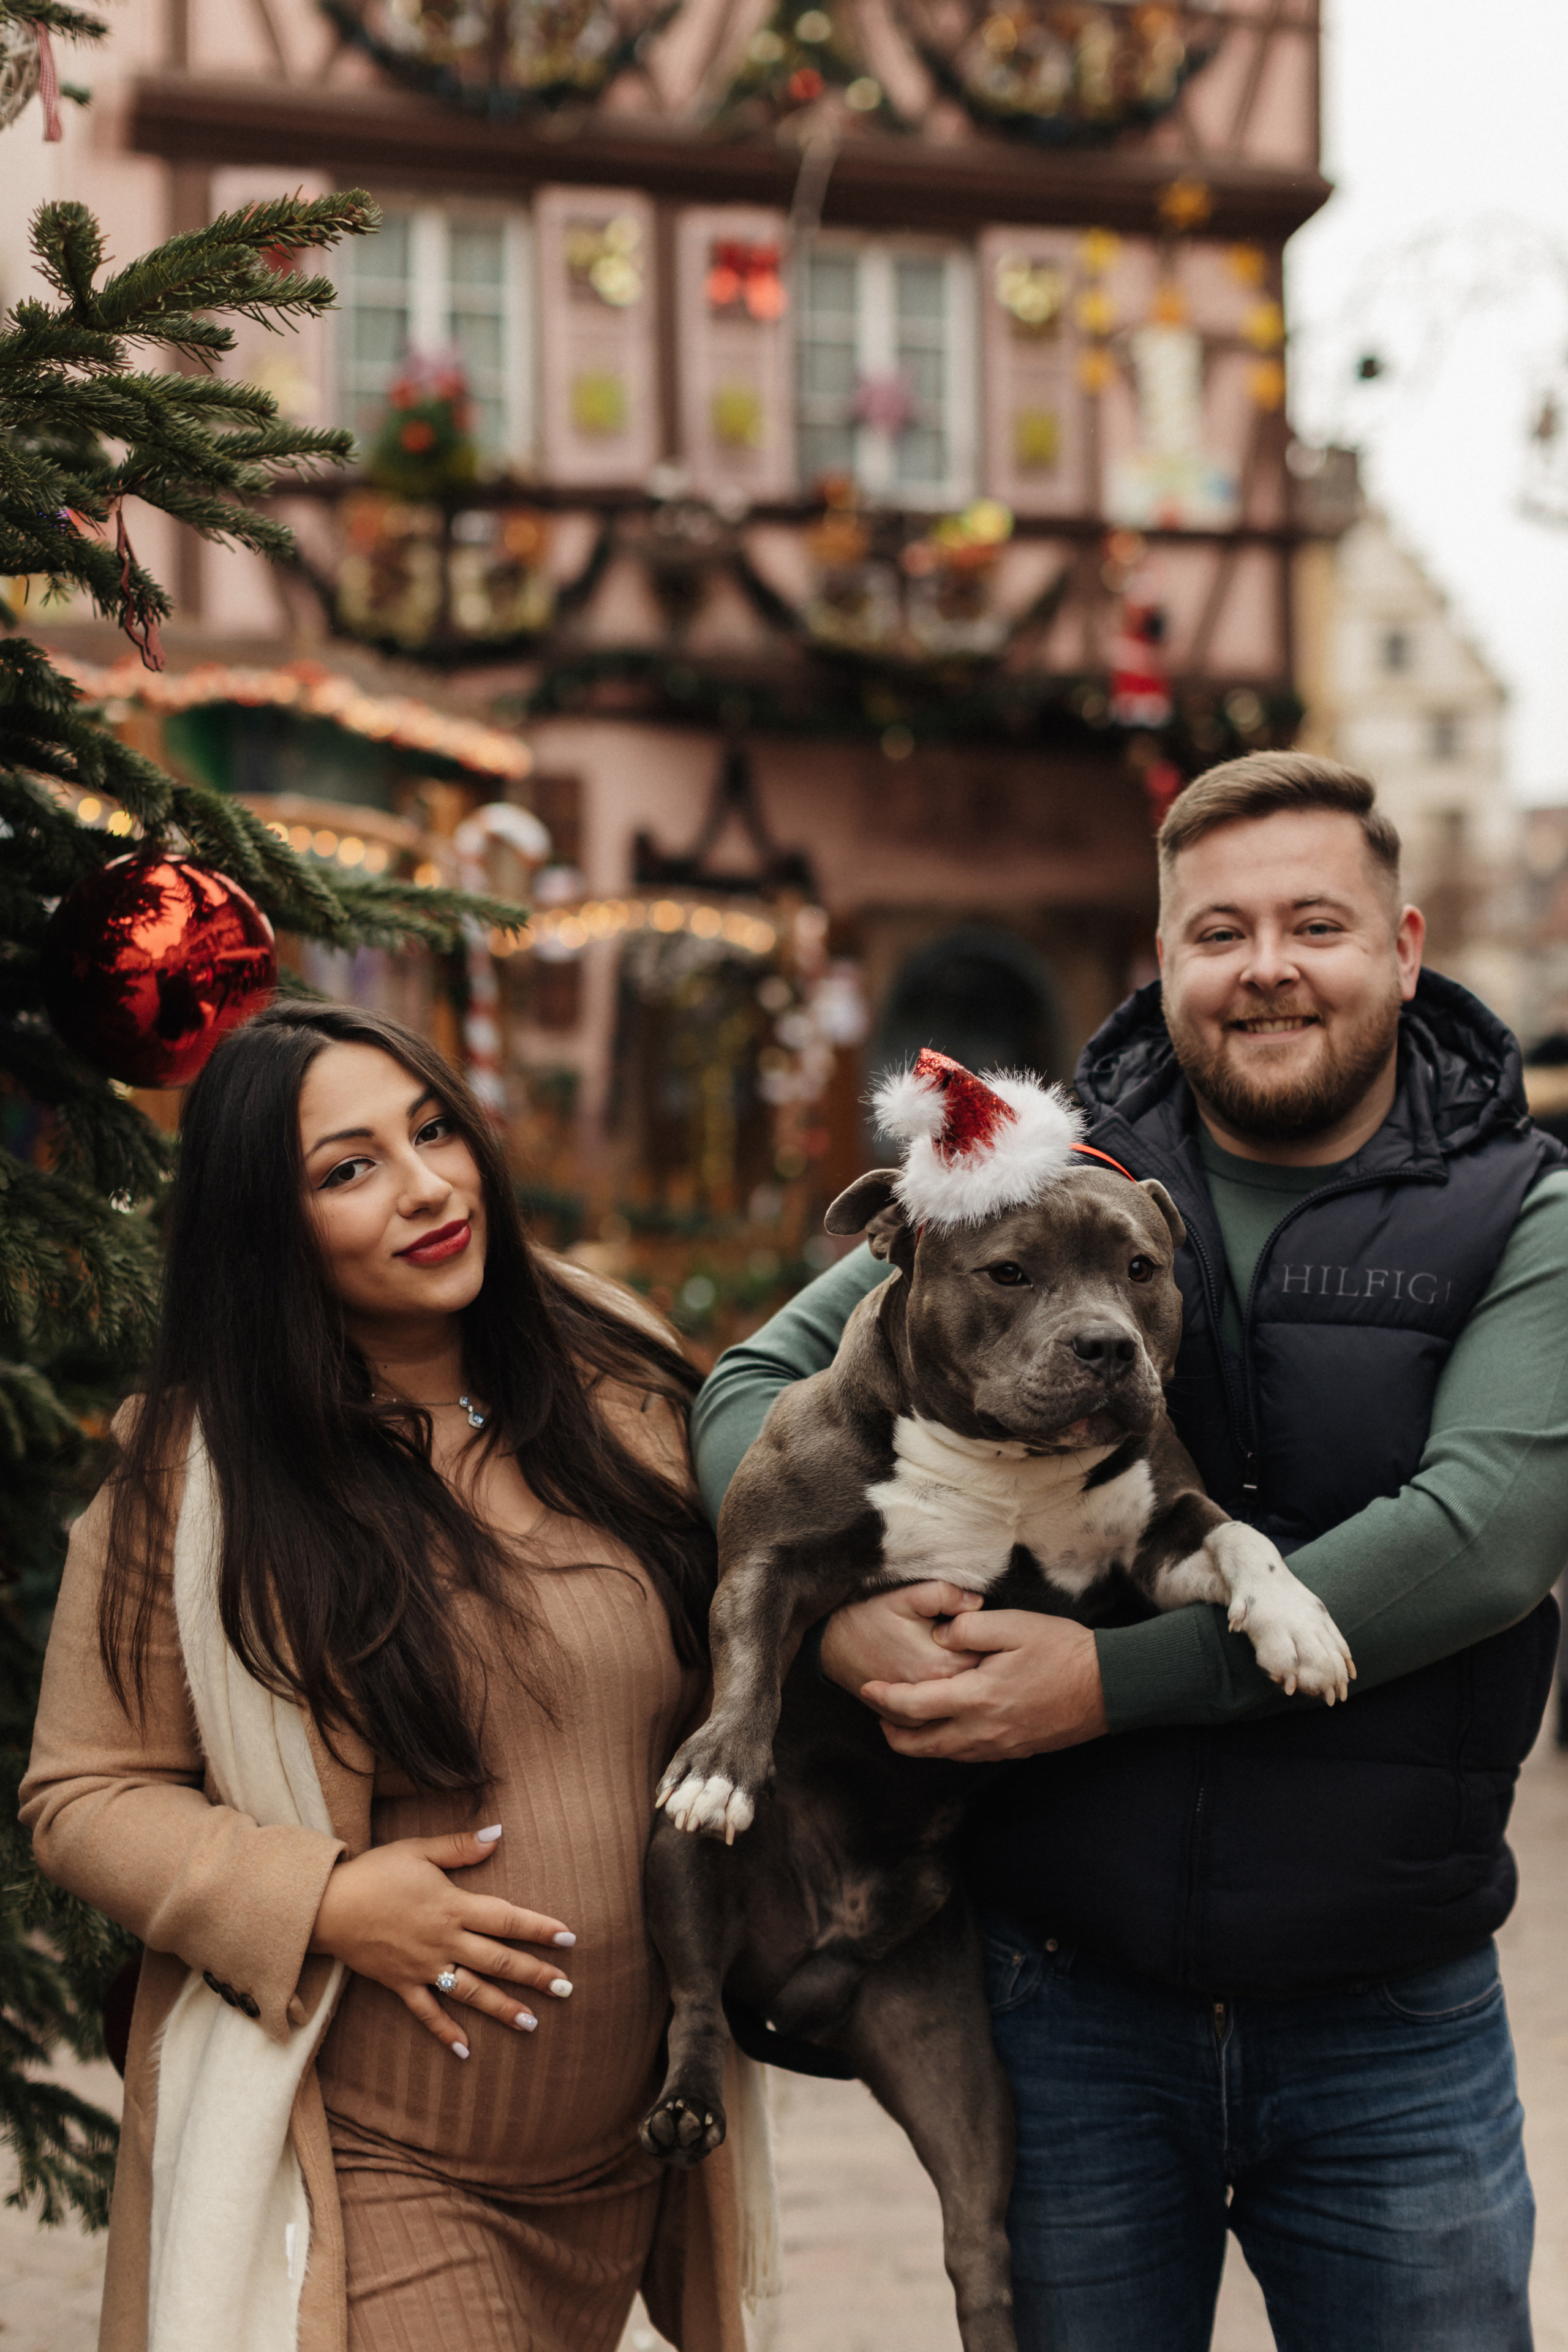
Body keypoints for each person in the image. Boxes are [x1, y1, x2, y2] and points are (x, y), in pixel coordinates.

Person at [693, 753, 1568, 2352]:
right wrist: (831, 1621)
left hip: (1388, 2015)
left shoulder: (1524, 1212)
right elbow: (756, 1391)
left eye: (1315, 924)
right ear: (1162, 959)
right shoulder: (1044, 1186)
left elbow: (1484, 1541)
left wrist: (1106, 1685)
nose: (1267, 966)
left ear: (1403, 947)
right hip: (1064, 1996)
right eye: (1219, 931)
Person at [21, 1001, 750, 2352]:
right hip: (374, 2167)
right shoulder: (199, 1481)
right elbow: (82, 1793)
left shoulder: (618, 1387)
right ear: (268, 1228)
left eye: (433, 1132)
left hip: (624, 2165)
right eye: (349, 1169)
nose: (425, 1187)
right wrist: (325, 1900)